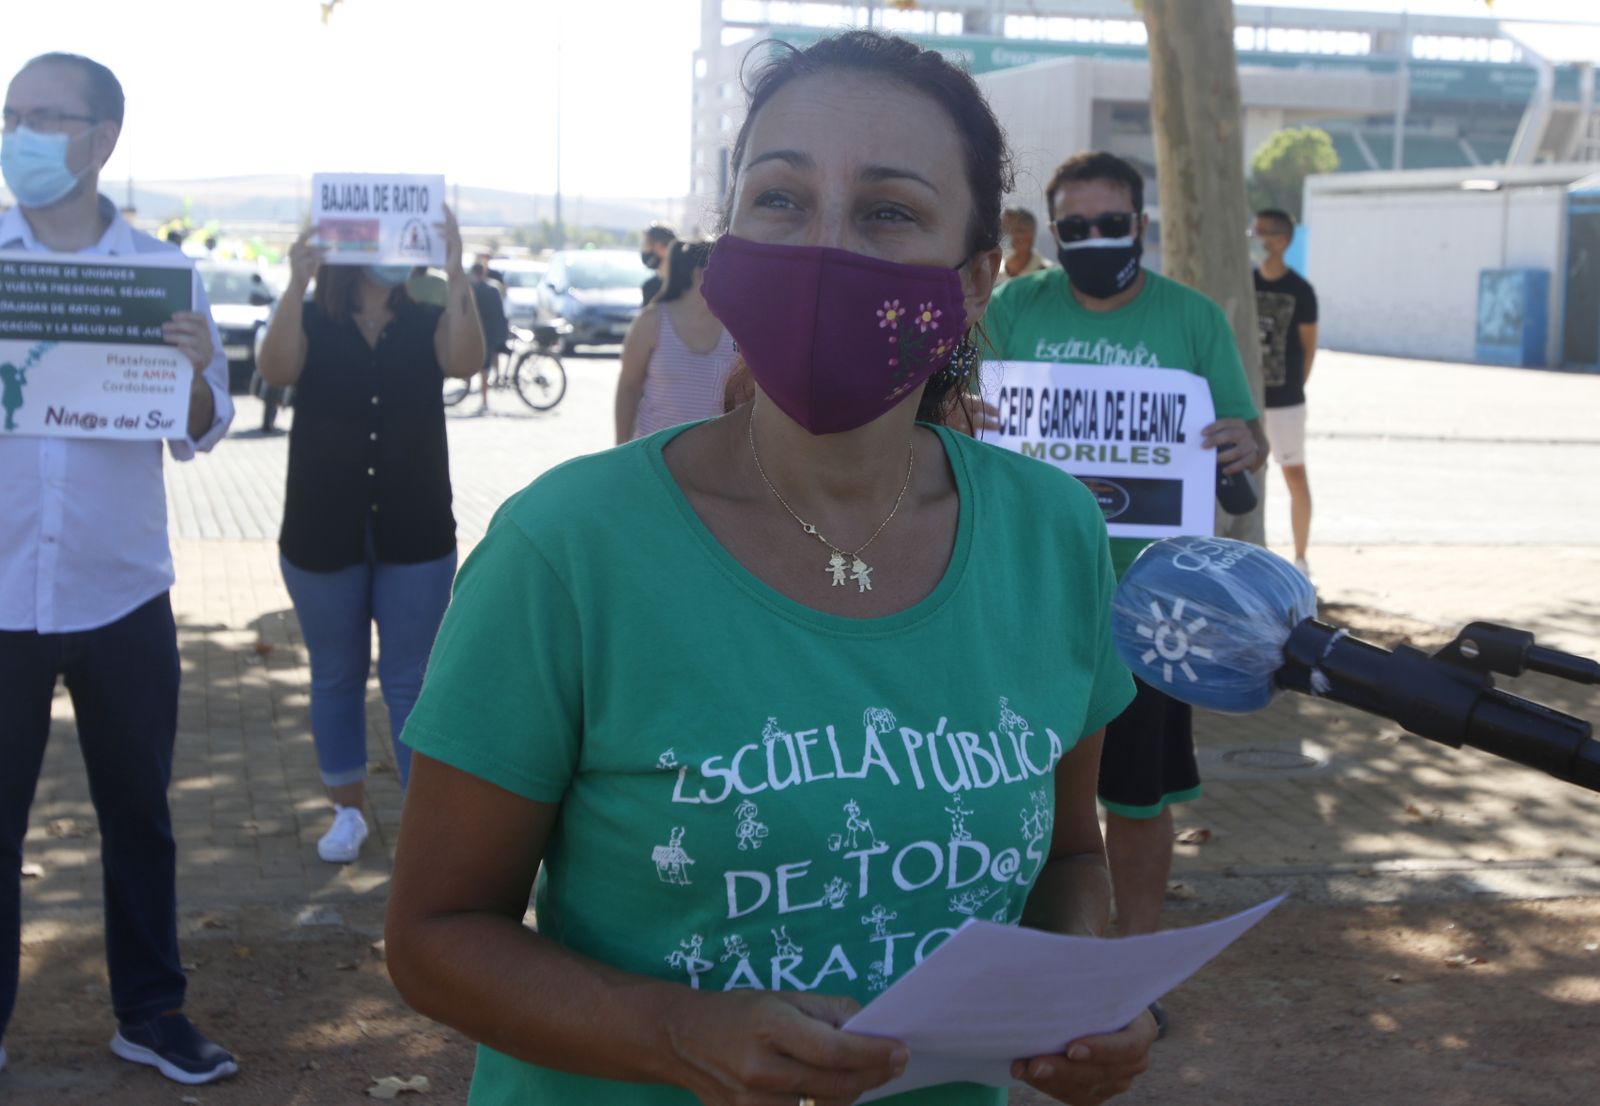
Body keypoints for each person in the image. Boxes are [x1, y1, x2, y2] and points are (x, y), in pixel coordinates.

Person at [386, 30, 1156, 1106]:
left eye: (888, 211)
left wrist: (1076, 987)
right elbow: (432, 936)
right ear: (730, 231)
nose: (820, 249)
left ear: (976, 279)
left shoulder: (1052, 534)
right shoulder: (565, 550)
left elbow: (1070, 856)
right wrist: (675, 1034)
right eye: (780, 198)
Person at [982, 150, 1267, 1034]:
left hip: (1152, 614)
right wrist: (957, 410)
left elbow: (1238, 450)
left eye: (1113, 226)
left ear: (1140, 226)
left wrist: (1244, 450)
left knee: (1137, 801)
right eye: (1076, 229)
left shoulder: (1191, 321)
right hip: (1024, 599)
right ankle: (1024, 964)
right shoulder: (1012, 310)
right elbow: (954, 418)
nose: (1096, 241)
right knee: (1013, 795)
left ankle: (1131, 973)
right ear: (1053, 232)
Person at [0, 52, 238, 1084]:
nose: (18, 134)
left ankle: (150, 1010)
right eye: (10, 114)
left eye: (43, 116)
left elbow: (202, 429)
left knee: (138, 814)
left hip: (121, 592)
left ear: (102, 138)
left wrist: (188, 371)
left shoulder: (162, 275)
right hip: (1, 594)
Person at [255, 209, 483, 866]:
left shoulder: (424, 317)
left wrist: (457, 269)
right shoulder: (317, 320)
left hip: (415, 525)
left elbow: (467, 361)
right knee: (335, 674)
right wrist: (294, 284)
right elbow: (274, 370)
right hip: (321, 526)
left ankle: (420, 817)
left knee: (411, 678)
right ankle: (347, 811)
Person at [1250, 208, 1319, 578]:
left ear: (1283, 240)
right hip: (1246, 400)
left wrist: (1293, 387)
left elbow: (1309, 348)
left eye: (1263, 232)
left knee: (1294, 476)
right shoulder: (1244, 283)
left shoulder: (1301, 291)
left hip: (1286, 401)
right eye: (1253, 230)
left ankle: (1301, 559)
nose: (1256, 238)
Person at [614, 239, 735, 443]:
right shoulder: (652, 321)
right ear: (699, 273)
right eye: (728, 272)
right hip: (655, 457)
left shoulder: (734, 326)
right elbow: (628, 387)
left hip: (716, 464)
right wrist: (621, 450)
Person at [469, 261, 511, 412]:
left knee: (484, 368)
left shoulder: (475, 290)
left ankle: (485, 401)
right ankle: (498, 377)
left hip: (486, 332)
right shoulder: (494, 288)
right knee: (494, 355)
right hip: (500, 331)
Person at [995, 205, 1051, 286]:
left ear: (1031, 235)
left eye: (1017, 230)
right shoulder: (991, 274)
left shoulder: (1049, 277)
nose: (1007, 236)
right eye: (1004, 229)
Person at [639, 222, 676, 305]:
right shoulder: (649, 286)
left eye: (646, 245)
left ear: (659, 247)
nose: (644, 250)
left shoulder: (686, 286)